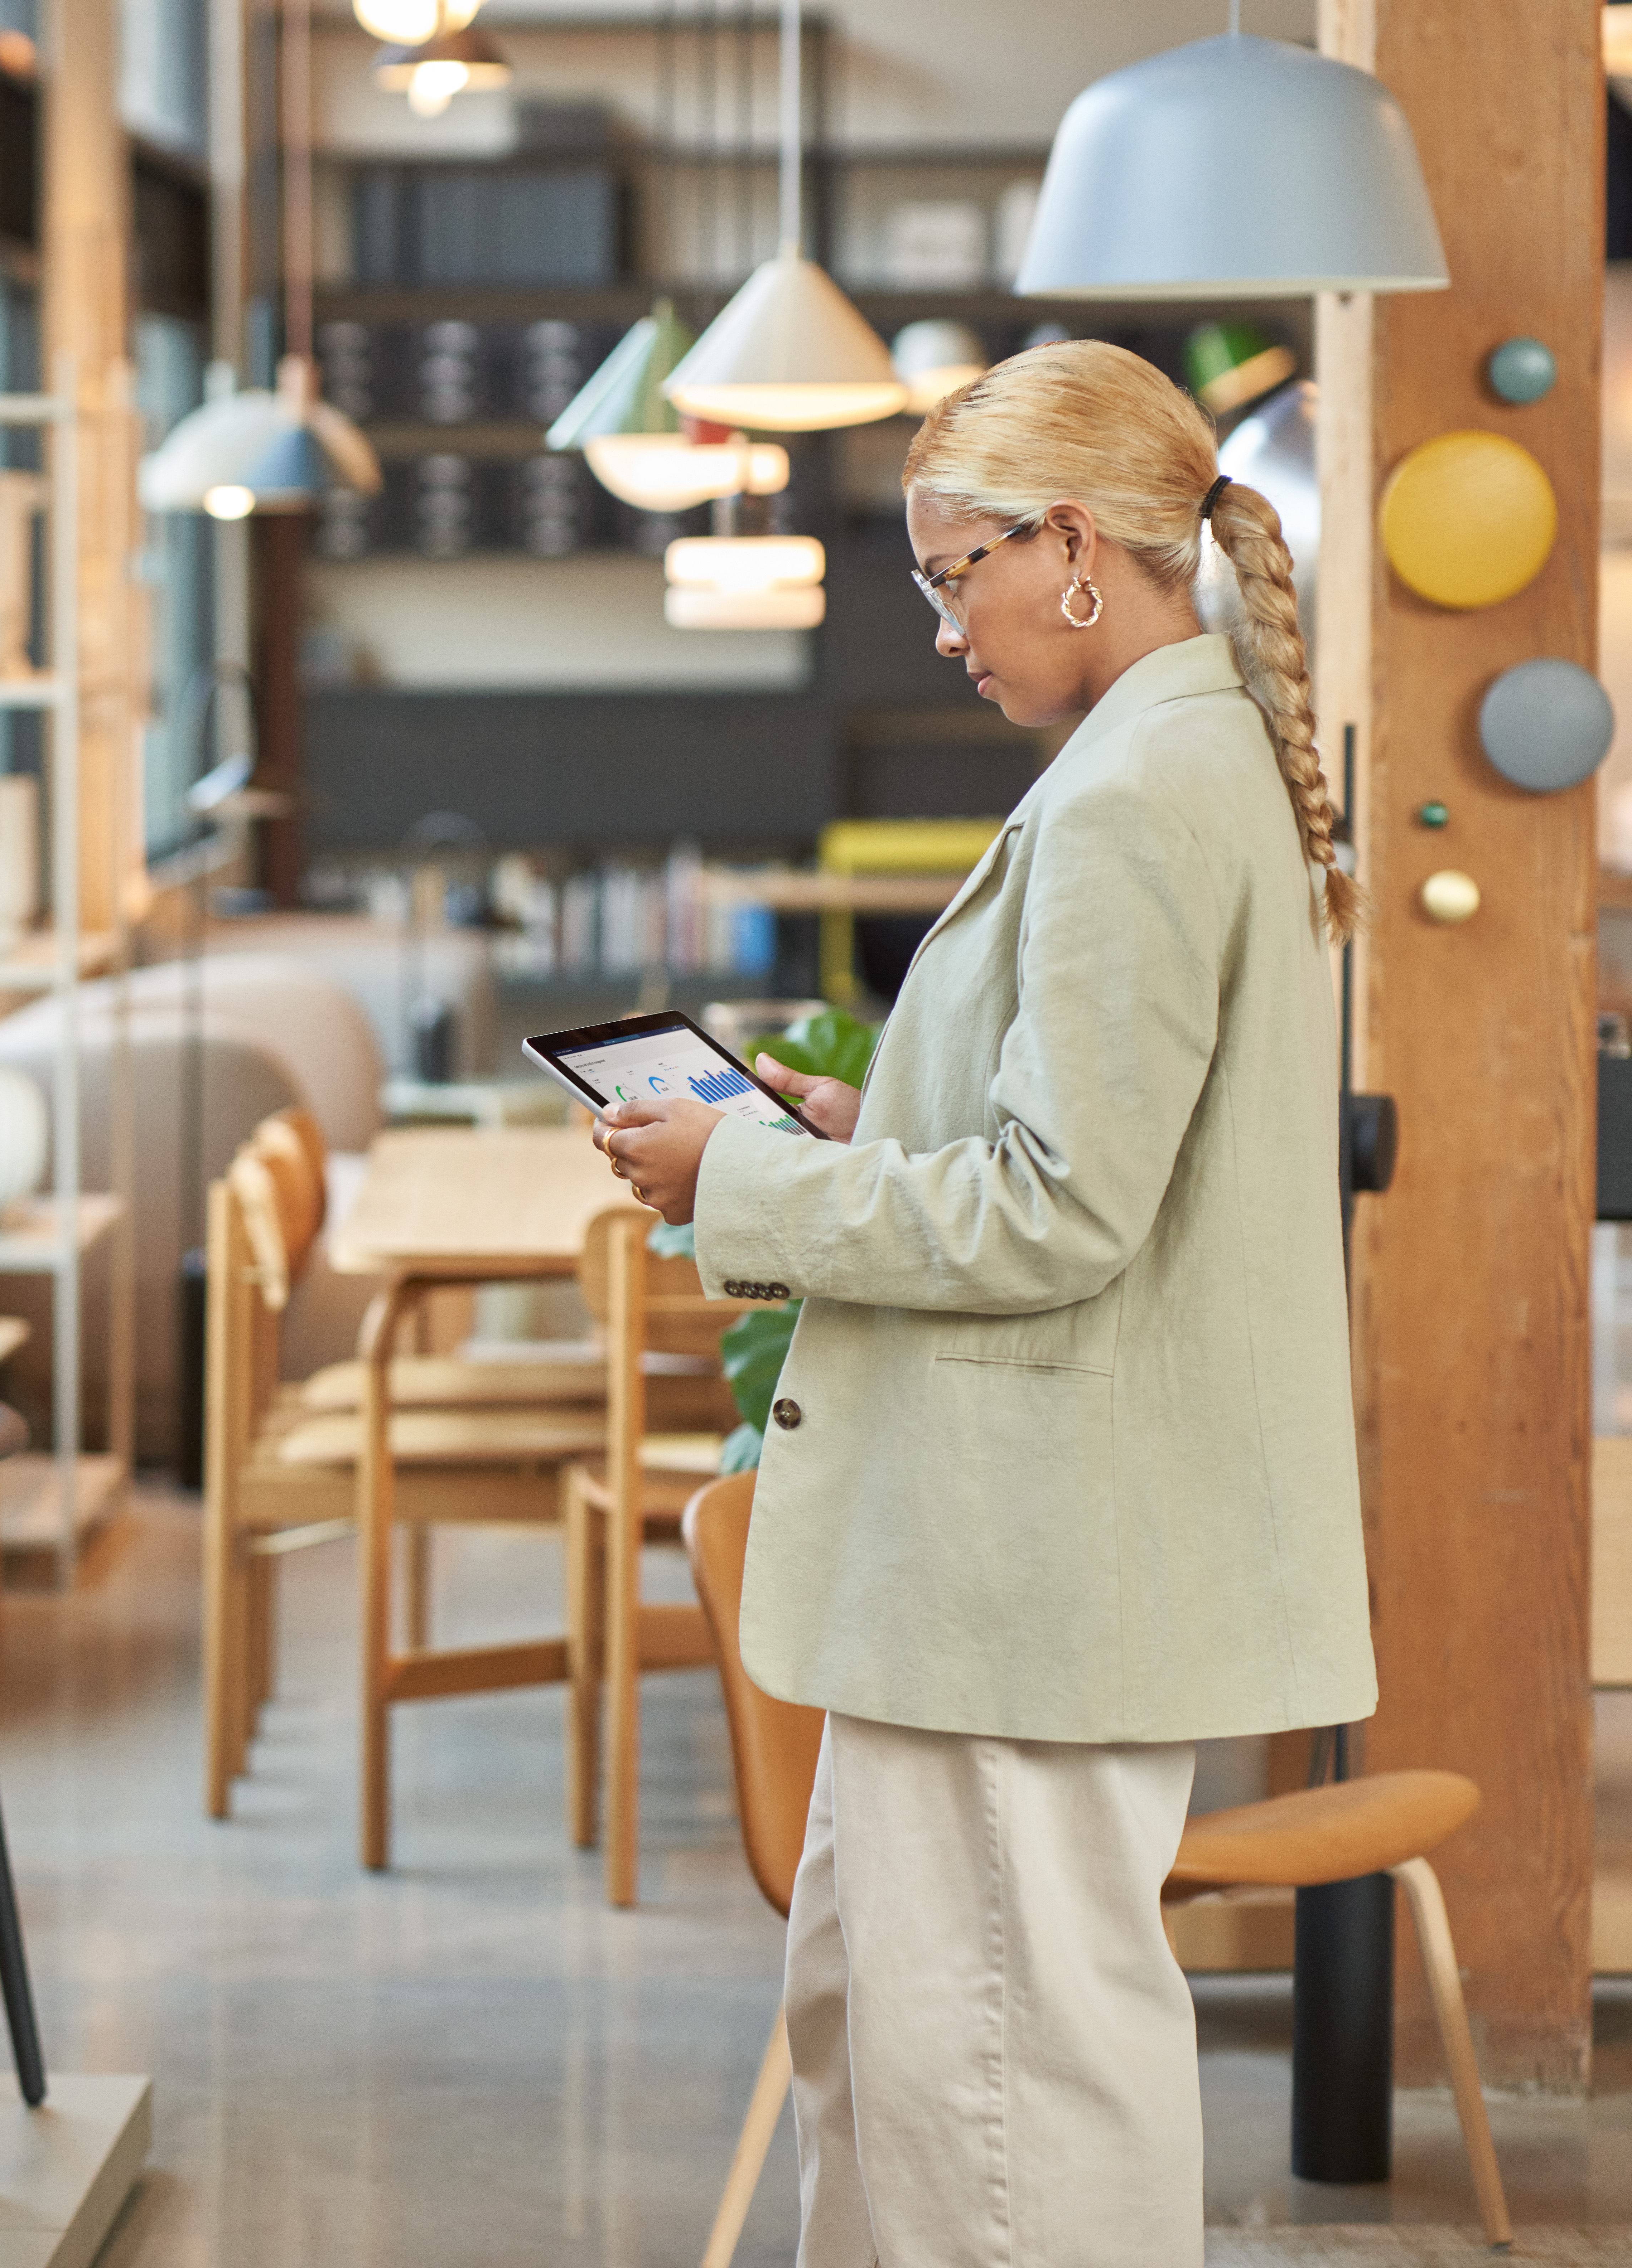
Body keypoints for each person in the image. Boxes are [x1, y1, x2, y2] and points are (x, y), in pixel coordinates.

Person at [595, 341, 1373, 2268]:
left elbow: (1060, 1214)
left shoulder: (1134, 797)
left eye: (955, 577)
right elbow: (1099, 1152)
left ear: (1074, 548)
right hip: (1003, 1572)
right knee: (900, 2060)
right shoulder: (1179, 762)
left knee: (1003, 2108)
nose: (944, 631)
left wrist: (740, 1183)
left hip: (1029, 1565)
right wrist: (865, 1128)